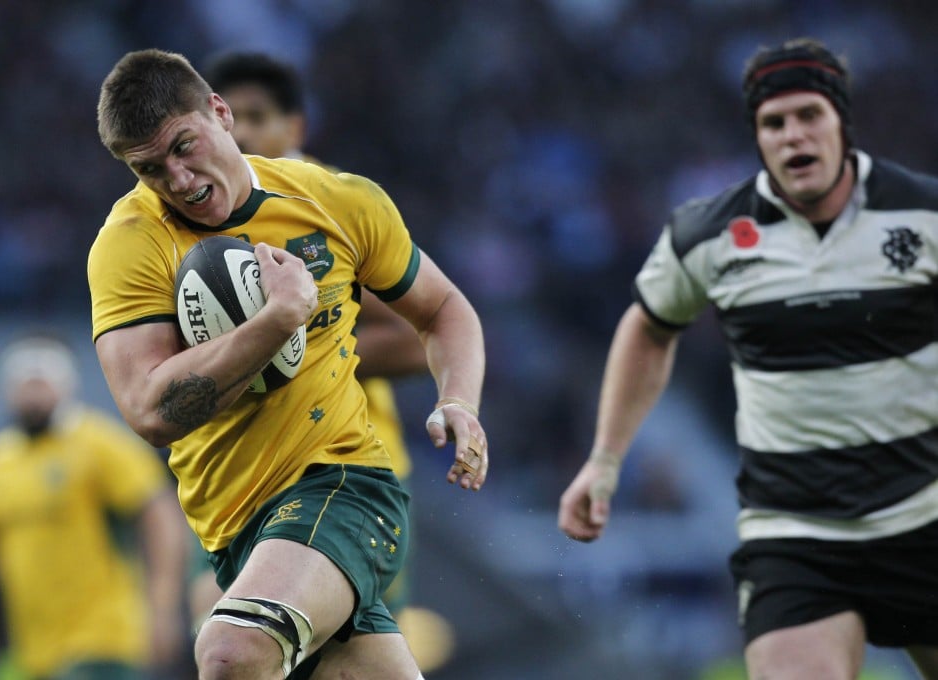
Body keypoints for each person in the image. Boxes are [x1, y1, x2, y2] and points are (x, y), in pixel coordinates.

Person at [89, 48, 487, 680]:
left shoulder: (336, 201)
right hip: (231, 526)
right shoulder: (131, 242)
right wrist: (276, 321)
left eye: (184, 147)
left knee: (230, 651)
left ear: (219, 113)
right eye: (150, 169)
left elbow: (442, 309)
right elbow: (148, 411)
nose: (178, 179)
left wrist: (459, 400)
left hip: (345, 486)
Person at [558, 37, 938, 679]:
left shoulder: (923, 214)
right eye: (774, 122)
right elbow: (648, 328)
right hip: (795, 536)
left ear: (842, 121)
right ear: (756, 136)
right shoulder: (708, 233)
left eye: (809, 116)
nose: (793, 136)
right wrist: (605, 457)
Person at [197, 50, 453, 670]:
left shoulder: (329, 204)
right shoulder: (191, 218)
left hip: (344, 473)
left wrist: (301, 347)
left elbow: (423, 328)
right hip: (240, 482)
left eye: (260, 116)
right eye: (233, 119)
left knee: (241, 644)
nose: (246, 134)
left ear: (297, 129)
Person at [0, 333, 187, 680]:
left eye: (41, 381)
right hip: (32, 655)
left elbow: (160, 516)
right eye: (24, 382)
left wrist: (162, 604)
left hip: (102, 645)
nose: (33, 392)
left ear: (65, 384)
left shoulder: (100, 444)